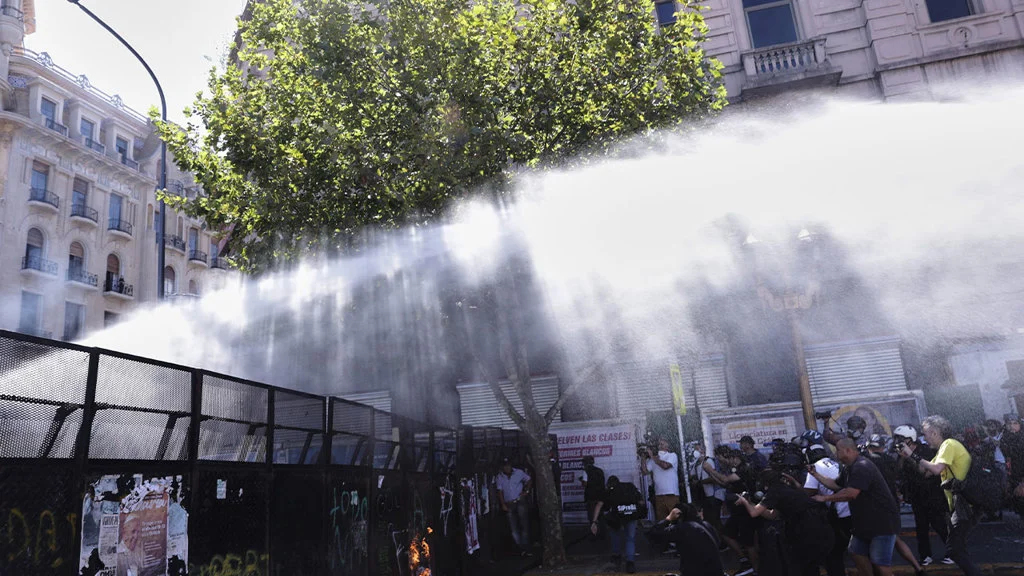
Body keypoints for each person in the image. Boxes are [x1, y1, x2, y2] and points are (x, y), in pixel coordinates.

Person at [900, 415, 981, 576]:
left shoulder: (949, 444)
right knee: (957, 548)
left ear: (935, 432)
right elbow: (925, 472)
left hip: (966, 505)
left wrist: (913, 455)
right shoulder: (943, 449)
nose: (924, 438)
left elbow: (936, 469)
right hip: (959, 505)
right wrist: (908, 457)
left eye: (925, 434)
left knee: (955, 549)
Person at [810, 438, 901, 576]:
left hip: (882, 523)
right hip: (865, 523)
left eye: (838, 450)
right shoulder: (849, 468)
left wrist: (825, 498)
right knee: (856, 551)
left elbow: (850, 494)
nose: (835, 454)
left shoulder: (861, 467)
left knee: (880, 564)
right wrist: (815, 474)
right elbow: (835, 485)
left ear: (847, 450)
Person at [738, 468, 833, 576]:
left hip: (806, 529)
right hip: (821, 527)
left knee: (800, 565)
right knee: (811, 565)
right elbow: (772, 515)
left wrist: (744, 501)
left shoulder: (774, 492)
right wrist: (750, 503)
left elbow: (754, 513)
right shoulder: (789, 489)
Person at [864, 434, 926, 574]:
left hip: (876, 506)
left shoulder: (867, 460)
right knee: (894, 538)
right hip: (892, 503)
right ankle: (917, 568)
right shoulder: (890, 460)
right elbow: (898, 474)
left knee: (878, 544)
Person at [894, 424, 952, 566]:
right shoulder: (901, 453)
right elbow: (898, 471)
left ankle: (953, 552)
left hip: (932, 493)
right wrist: (902, 457)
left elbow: (925, 472)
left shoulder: (925, 450)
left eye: (902, 438)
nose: (899, 441)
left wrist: (909, 456)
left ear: (910, 438)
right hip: (916, 494)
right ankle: (925, 555)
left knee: (939, 524)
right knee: (921, 526)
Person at [703, 447, 758, 576]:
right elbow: (724, 484)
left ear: (736, 458)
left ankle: (755, 569)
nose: (729, 461)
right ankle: (744, 560)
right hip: (737, 511)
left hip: (745, 510)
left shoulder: (743, 469)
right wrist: (710, 473)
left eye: (731, 459)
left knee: (749, 542)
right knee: (726, 534)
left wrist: (711, 470)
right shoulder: (735, 469)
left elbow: (726, 479)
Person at [803, 441, 852, 576]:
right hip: (851, 509)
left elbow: (808, 493)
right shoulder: (834, 463)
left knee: (833, 552)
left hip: (840, 513)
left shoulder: (815, 467)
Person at [647, 502, 725, 576]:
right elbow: (718, 543)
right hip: (717, 572)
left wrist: (668, 519)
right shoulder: (707, 525)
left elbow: (652, 533)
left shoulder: (682, 528)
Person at [590, 475, 643, 574]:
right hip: (631, 515)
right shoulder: (630, 487)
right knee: (630, 538)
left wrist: (594, 521)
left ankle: (616, 556)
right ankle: (630, 563)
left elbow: (599, 505)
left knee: (615, 535)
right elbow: (640, 502)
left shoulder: (608, 491)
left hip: (616, 517)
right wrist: (639, 515)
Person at [496, 457, 533, 556]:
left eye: (508, 465)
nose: (507, 468)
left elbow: (529, 480)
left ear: (511, 465)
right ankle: (521, 548)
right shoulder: (500, 477)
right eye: (505, 466)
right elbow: (500, 492)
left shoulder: (519, 473)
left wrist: (526, 491)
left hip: (520, 501)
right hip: (509, 503)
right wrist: (503, 504)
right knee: (514, 529)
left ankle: (526, 548)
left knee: (524, 524)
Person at [643, 437, 680, 522]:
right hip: (659, 495)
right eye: (659, 444)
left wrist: (652, 456)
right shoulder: (654, 459)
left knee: (675, 520)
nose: (660, 446)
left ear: (668, 446)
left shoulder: (672, 455)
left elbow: (665, 466)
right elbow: (644, 471)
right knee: (662, 521)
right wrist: (643, 458)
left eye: (662, 444)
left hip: (671, 494)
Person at [694, 444, 727, 536]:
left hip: (714, 494)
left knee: (715, 519)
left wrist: (700, 482)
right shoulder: (697, 464)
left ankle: (723, 538)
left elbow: (713, 477)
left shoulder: (708, 461)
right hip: (706, 495)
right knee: (709, 519)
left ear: (703, 451)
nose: (695, 452)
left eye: (697, 449)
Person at [580, 455, 605, 538]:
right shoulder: (600, 471)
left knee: (592, 517)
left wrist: (581, 481)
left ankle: (594, 535)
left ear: (585, 463)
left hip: (591, 497)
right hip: (601, 497)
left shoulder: (586, 471)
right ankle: (602, 535)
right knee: (600, 516)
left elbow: (585, 484)